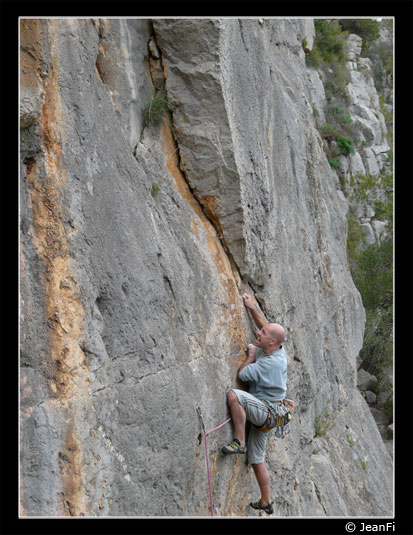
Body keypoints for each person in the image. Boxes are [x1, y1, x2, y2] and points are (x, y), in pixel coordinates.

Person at [221, 292, 287, 515]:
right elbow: (267, 326)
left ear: (272, 342)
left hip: (266, 411)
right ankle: (266, 501)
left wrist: (251, 354)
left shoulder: (268, 364)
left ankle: (239, 441)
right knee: (258, 459)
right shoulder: (278, 349)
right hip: (273, 414)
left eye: (263, 334)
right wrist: (250, 307)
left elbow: (243, 375)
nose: (259, 333)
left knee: (234, 395)